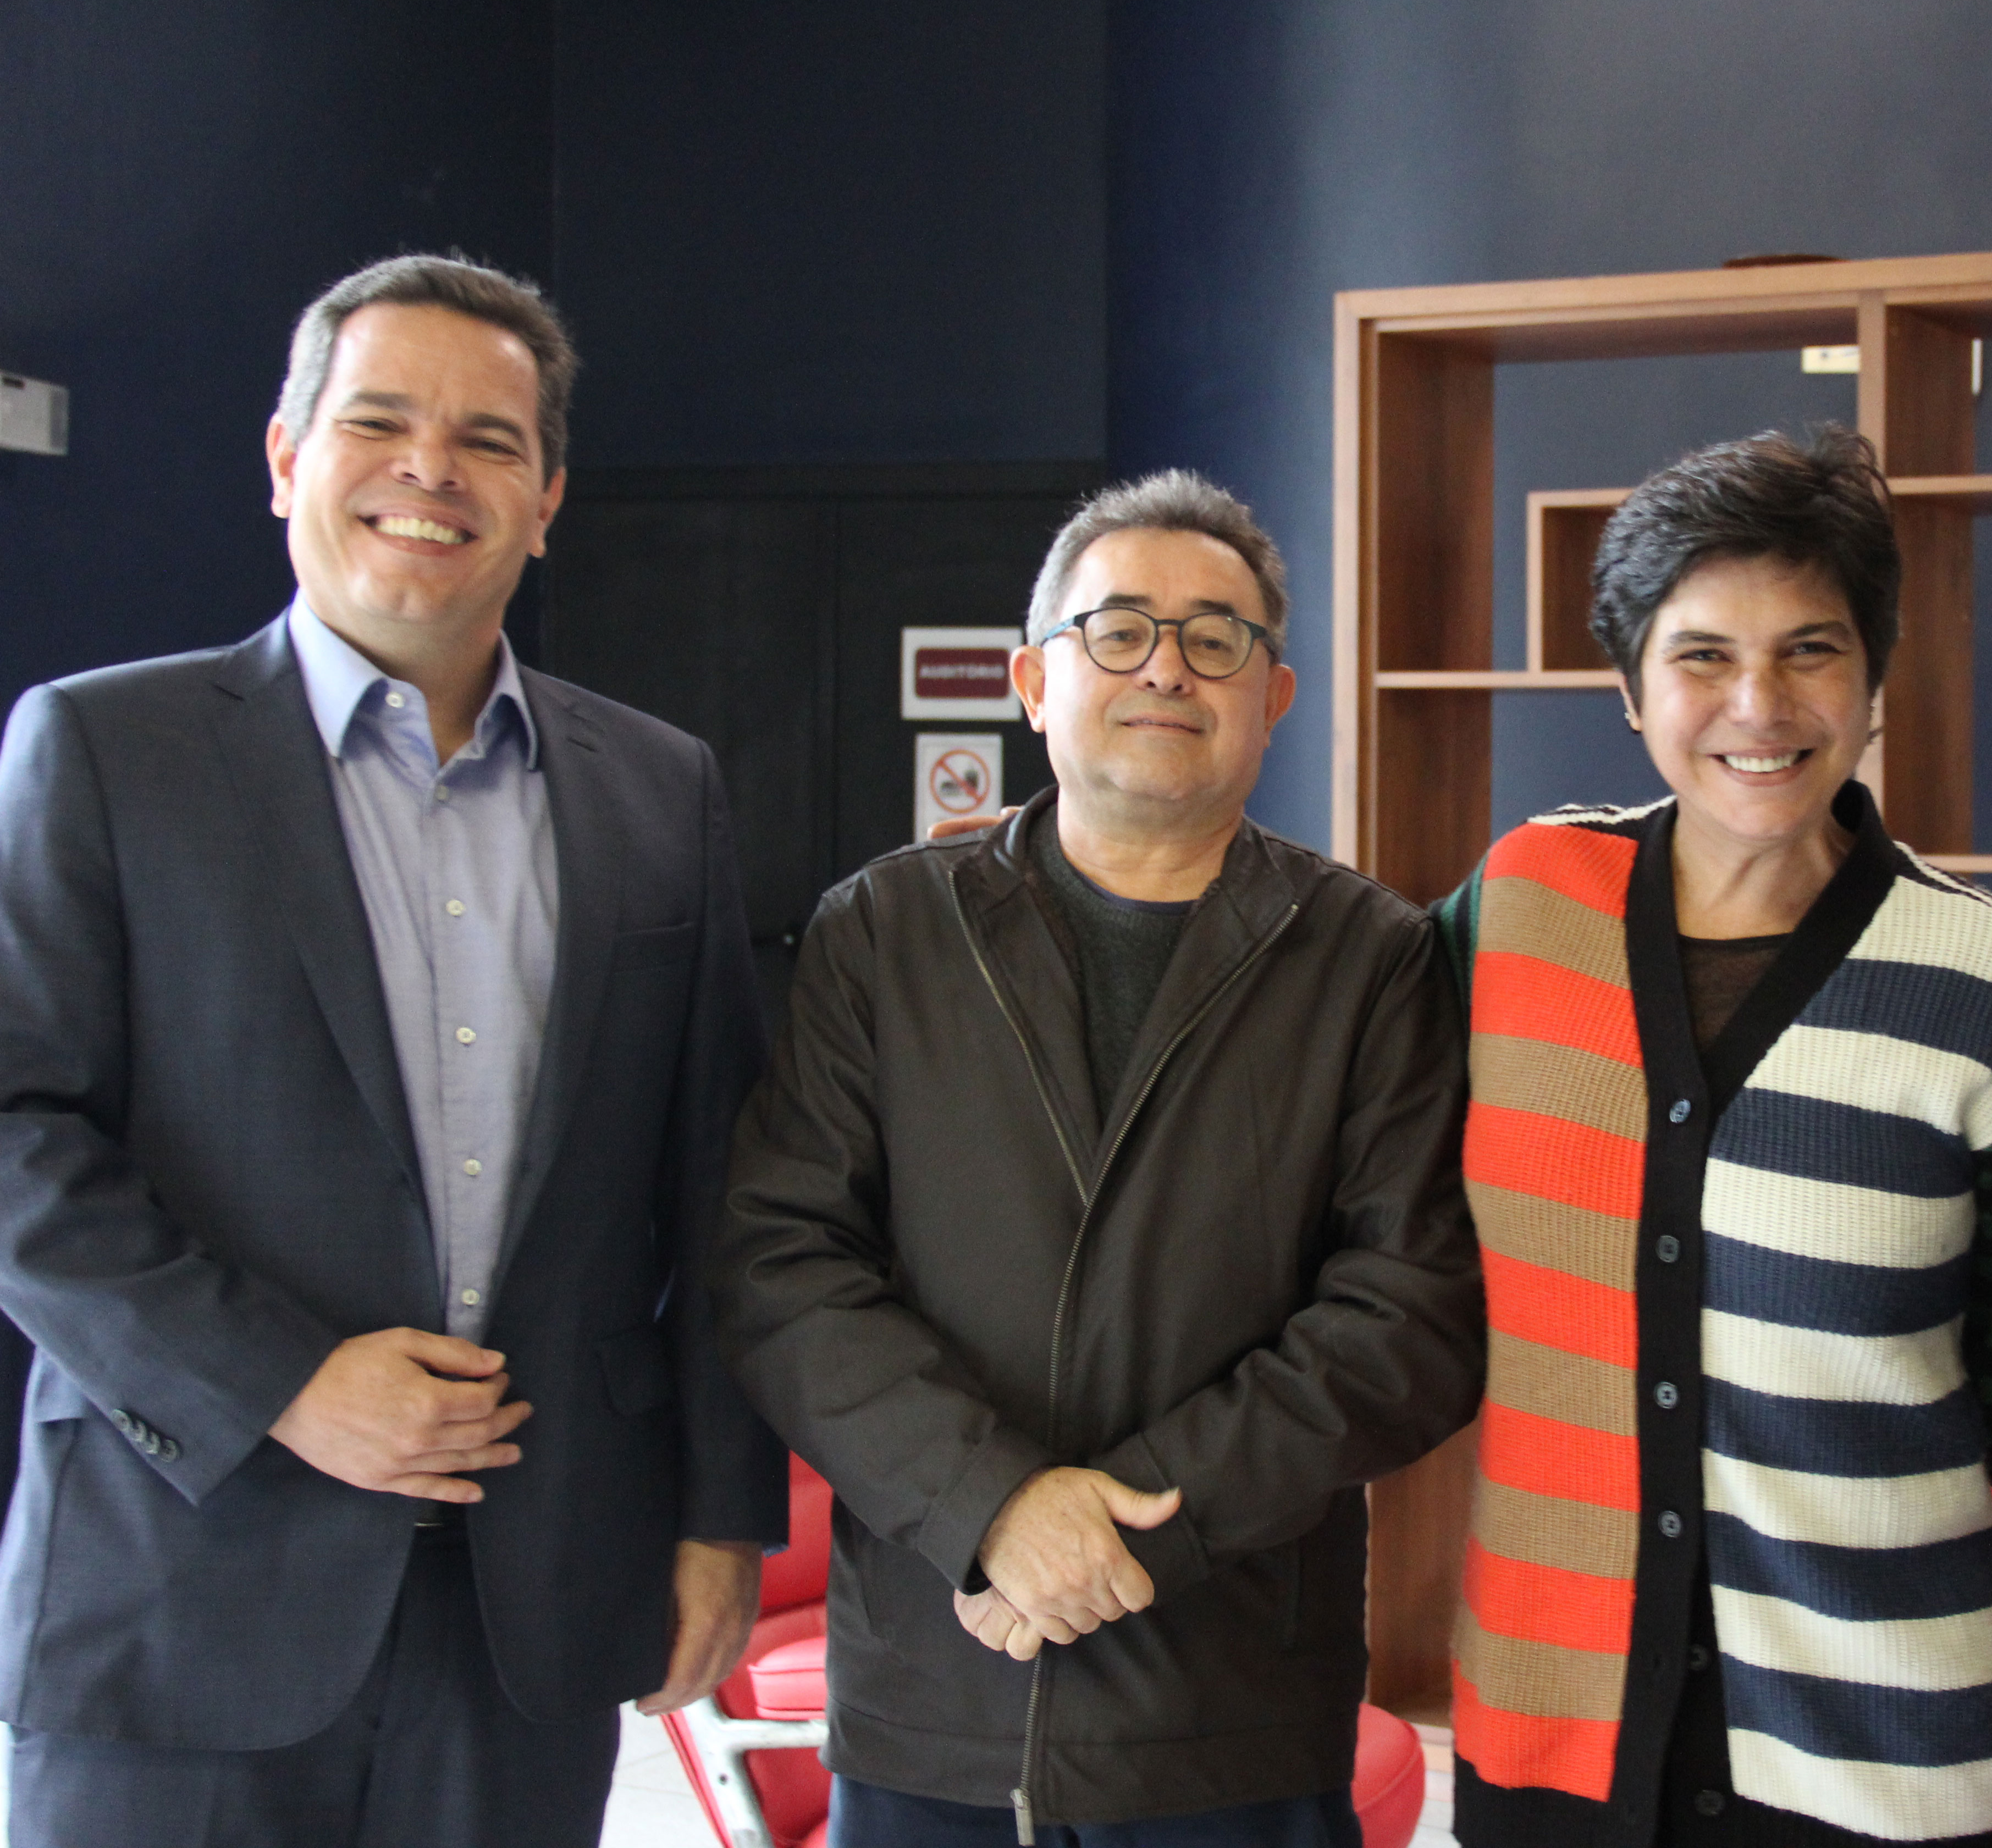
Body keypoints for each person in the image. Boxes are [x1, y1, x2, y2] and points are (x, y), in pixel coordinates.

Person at [0, 254, 785, 1847]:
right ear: (286, 456)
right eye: (378, 422)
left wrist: (724, 1522)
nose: (432, 470)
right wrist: (280, 1382)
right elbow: (17, 1130)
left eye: (490, 440)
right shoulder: (102, 749)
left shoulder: (660, 791)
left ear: (546, 501)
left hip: (531, 1607)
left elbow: (722, 1184)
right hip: (186, 1581)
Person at [715, 471, 1486, 1847]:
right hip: (937, 1691)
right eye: (1118, 631)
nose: (1166, 669)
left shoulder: (1370, 959)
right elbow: (785, 1267)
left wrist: (1123, 1532)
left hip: (1231, 1709)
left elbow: (1407, 1318)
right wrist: (993, 1508)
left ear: (1274, 696)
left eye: (1216, 639)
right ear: (1032, 681)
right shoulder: (885, 933)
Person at [1435, 427, 1992, 1848]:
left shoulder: (1988, 979)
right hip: (1554, 1734)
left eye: (1811, 651)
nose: (1760, 704)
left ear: (1874, 679)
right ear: (1630, 690)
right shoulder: (1520, 909)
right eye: (1702, 657)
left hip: (1889, 1754)